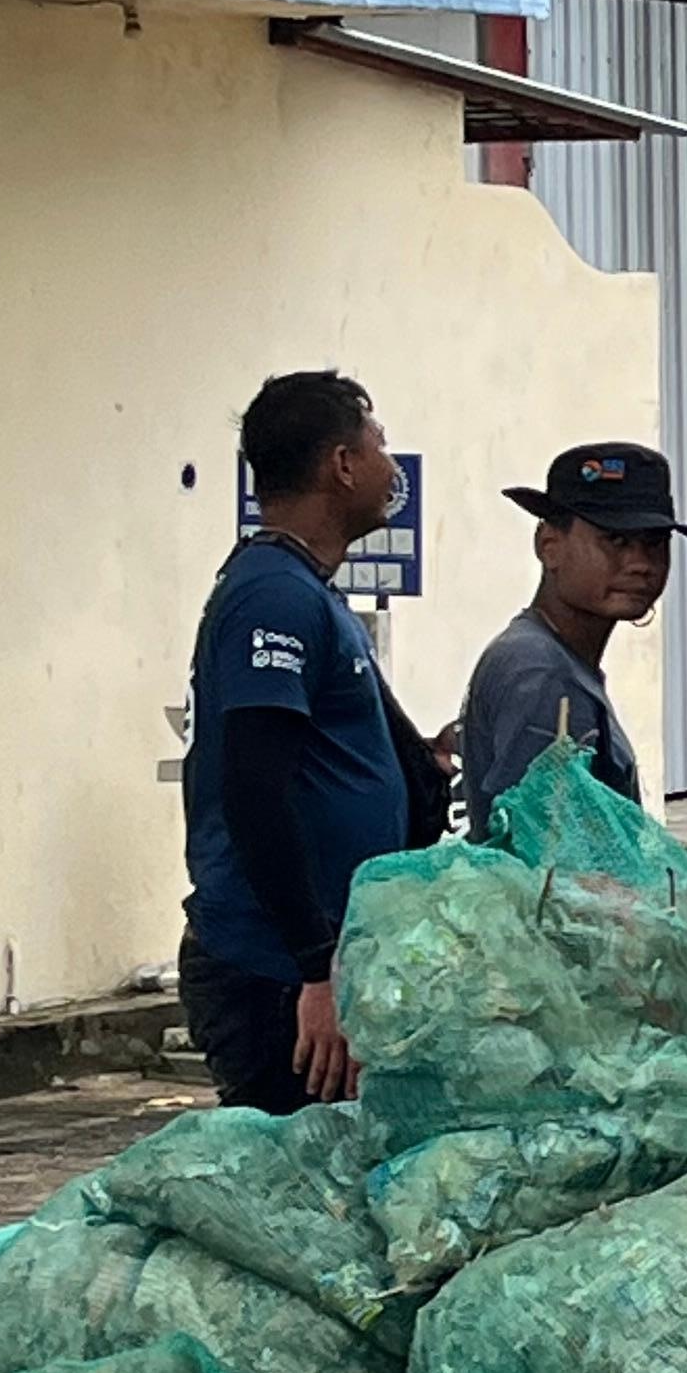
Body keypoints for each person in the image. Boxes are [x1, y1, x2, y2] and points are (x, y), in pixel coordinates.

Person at [179, 370, 450, 1113]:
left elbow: (316, 757)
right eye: (381, 445)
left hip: (312, 965)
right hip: (278, 980)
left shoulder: (306, 589)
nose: (393, 467)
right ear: (342, 465)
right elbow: (254, 789)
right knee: (303, 1199)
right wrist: (317, 970)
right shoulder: (276, 594)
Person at [458, 440, 687, 837]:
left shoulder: (550, 654)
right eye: (616, 541)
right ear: (548, 546)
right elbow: (547, 861)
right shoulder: (542, 673)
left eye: (654, 543)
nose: (641, 564)